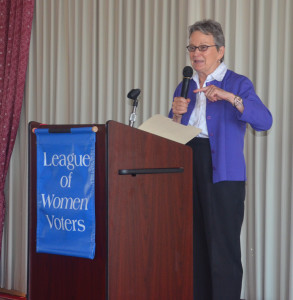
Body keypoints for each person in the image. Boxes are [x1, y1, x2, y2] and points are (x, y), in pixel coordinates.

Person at [168, 19, 273, 300]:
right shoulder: (185, 84)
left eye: (203, 47)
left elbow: (264, 121)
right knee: (194, 247)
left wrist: (230, 97)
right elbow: (171, 135)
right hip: (189, 166)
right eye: (192, 47)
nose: (196, 54)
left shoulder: (237, 83)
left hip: (224, 174)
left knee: (222, 250)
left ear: (221, 50)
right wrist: (176, 114)